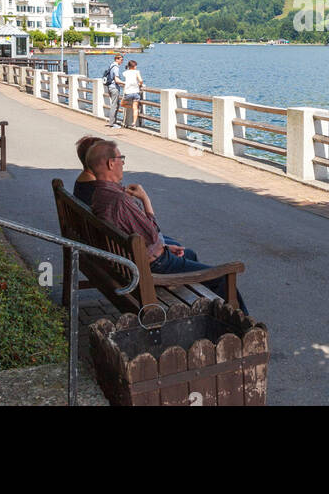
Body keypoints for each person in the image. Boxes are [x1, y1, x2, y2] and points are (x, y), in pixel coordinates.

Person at [83, 139, 248, 314]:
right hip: (153, 268)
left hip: (130, 264)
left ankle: (207, 312)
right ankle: (245, 326)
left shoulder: (99, 196)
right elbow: (152, 234)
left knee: (189, 254)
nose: (122, 163)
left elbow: (143, 239)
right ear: (111, 163)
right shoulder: (120, 200)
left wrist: (166, 247)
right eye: (120, 158)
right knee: (223, 277)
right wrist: (145, 199)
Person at [120, 59, 144, 128]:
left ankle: (129, 108)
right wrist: (140, 84)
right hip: (136, 92)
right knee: (135, 108)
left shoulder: (125, 73)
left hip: (128, 93)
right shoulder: (137, 72)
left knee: (122, 104)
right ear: (133, 66)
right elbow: (141, 80)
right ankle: (134, 123)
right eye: (135, 65)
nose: (136, 67)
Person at [104, 54, 124, 126]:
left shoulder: (111, 65)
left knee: (115, 104)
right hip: (114, 88)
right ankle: (112, 123)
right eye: (121, 60)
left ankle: (114, 121)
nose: (122, 61)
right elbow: (117, 80)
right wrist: (125, 83)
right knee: (114, 105)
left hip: (110, 87)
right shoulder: (116, 67)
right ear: (117, 59)